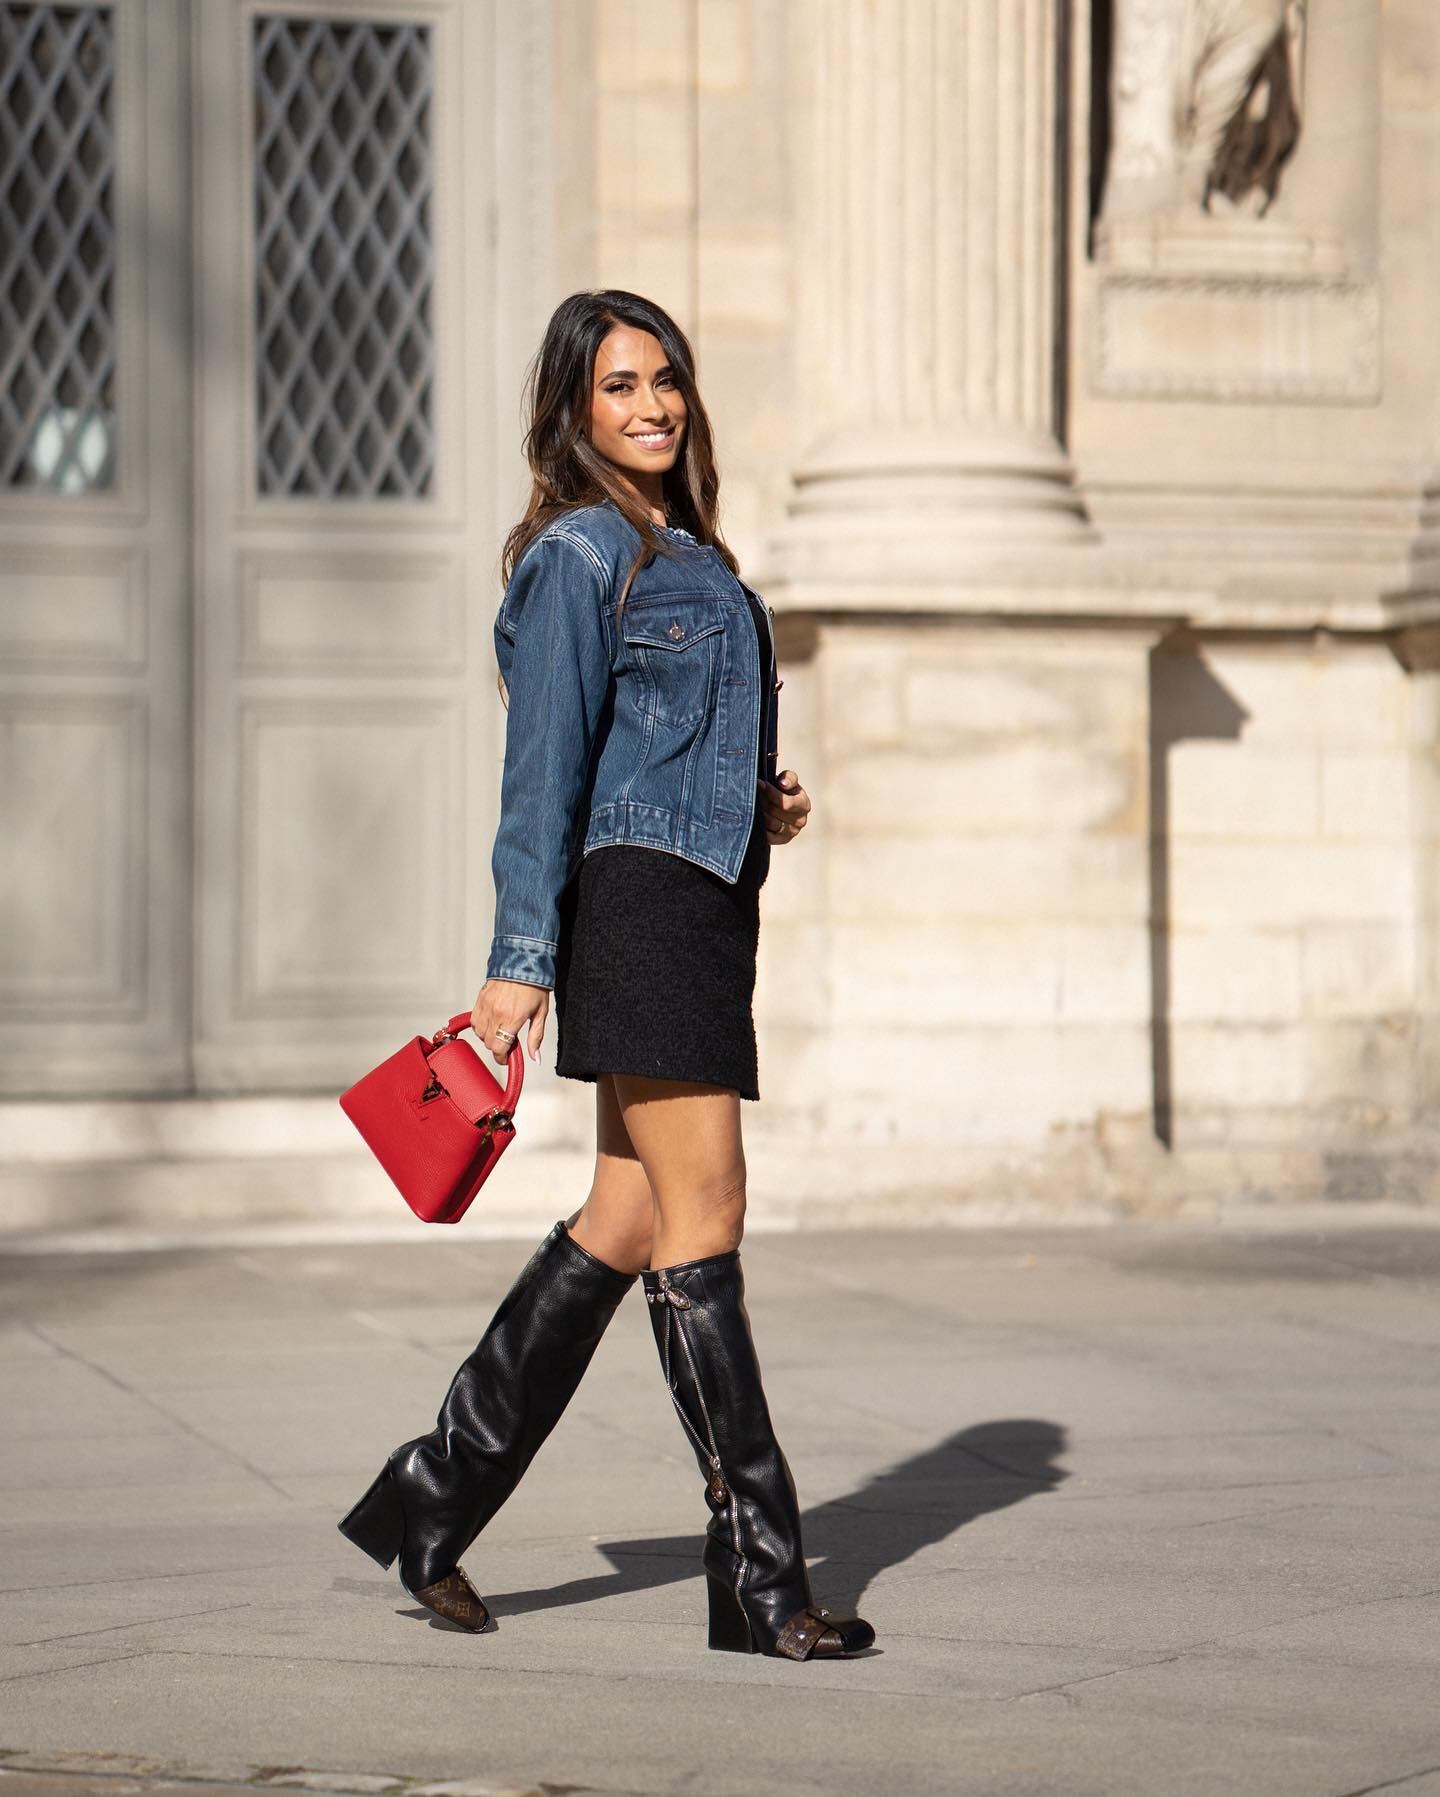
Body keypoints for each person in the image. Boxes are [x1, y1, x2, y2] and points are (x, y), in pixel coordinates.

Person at [336, 289, 875, 1662]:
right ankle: (757, 1565)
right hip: (639, 916)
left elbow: (656, 750)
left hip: (695, 898)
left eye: (665, 381)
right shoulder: (580, 553)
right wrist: (519, 960)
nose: (650, 406)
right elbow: (549, 770)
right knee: (710, 1209)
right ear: (576, 409)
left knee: (631, 1216)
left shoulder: (679, 544)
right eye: (619, 386)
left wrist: (756, 803)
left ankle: (432, 1493)